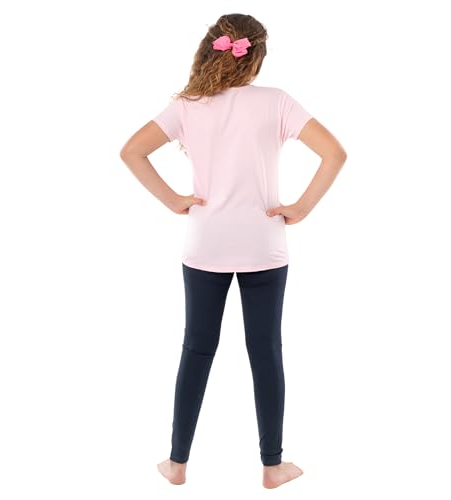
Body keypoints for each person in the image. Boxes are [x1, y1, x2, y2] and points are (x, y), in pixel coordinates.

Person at [120, 13, 347, 489]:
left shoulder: (187, 106)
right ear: (256, 56)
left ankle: (177, 464)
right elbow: (335, 153)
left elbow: (132, 151)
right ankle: (273, 467)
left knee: (196, 349)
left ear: (211, 49)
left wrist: (174, 200)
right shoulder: (276, 102)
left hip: (205, 243)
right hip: (265, 243)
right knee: (266, 351)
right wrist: (301, 208)